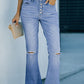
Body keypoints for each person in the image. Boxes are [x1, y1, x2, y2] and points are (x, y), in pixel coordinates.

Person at [12, 0, 61, 84]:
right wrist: (17, 12)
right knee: (31, 52)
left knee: (55, 52)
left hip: (49, 8)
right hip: (29, 8)